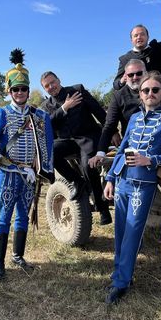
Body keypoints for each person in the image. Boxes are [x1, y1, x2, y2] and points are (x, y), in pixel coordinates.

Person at [102, 72, 161, 304]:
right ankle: (118, 275)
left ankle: (122, 282)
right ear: (140, 94)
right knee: (120, 230)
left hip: (144, 183)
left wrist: (150, 159)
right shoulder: (135, 118)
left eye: (155, 90)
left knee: (133, 233)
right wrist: (110, 178)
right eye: (146, 90)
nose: (150, 94)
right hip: (122, 180)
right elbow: (122, 149)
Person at [0, 49, 55, 280]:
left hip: (29, 175)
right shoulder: (2, 114)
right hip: (8, 172)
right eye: (15, 89)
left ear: (28, 90)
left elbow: (47, 142)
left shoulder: (39, 116)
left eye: (23, 89)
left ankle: (18, 256)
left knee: (23, 216)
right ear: (9, 91)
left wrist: (43, 169)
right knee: (4, 217)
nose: (20, 93)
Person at [40, 71, 112, 225]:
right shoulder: (45, 106)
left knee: (88, 166)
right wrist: (64, 108)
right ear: (44, 89)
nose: (51, 86)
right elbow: (47, 124)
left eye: (53, 82)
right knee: (50, 152)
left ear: (59, 80)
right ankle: (77, 181)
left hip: (88, 138)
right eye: (47, 86)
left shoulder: (77, 90)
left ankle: (103, 209)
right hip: (67, 141)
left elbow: (98, 111)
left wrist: (113, 132)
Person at [88, 59, 146, 169]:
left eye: (139, 73)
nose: (135, 77)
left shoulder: (156, 89)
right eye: (131, 75)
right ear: (125, 76)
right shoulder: (119, 96)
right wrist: (100, 153)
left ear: (146, 73)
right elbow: (109, 125)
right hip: (132, 143)